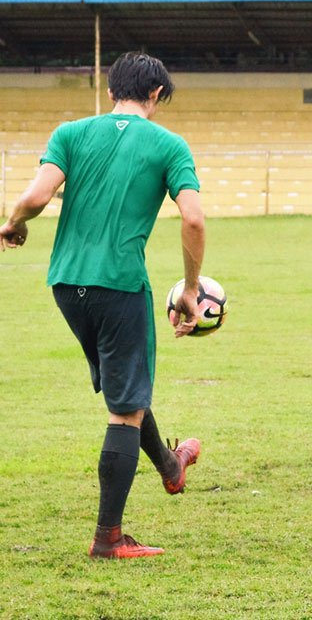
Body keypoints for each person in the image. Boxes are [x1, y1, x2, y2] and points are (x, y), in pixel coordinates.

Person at [0, 52, 206, 559]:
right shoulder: (169, 145)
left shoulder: (70, 132)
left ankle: (170, 466)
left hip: (66, 285)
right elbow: (195, 220)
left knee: (125, 386)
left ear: (112, 89)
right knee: (124, 411)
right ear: (156, 95)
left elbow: (36, 196)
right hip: (119, 285)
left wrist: (15, 223)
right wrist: (190, 288)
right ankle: (108, 539)